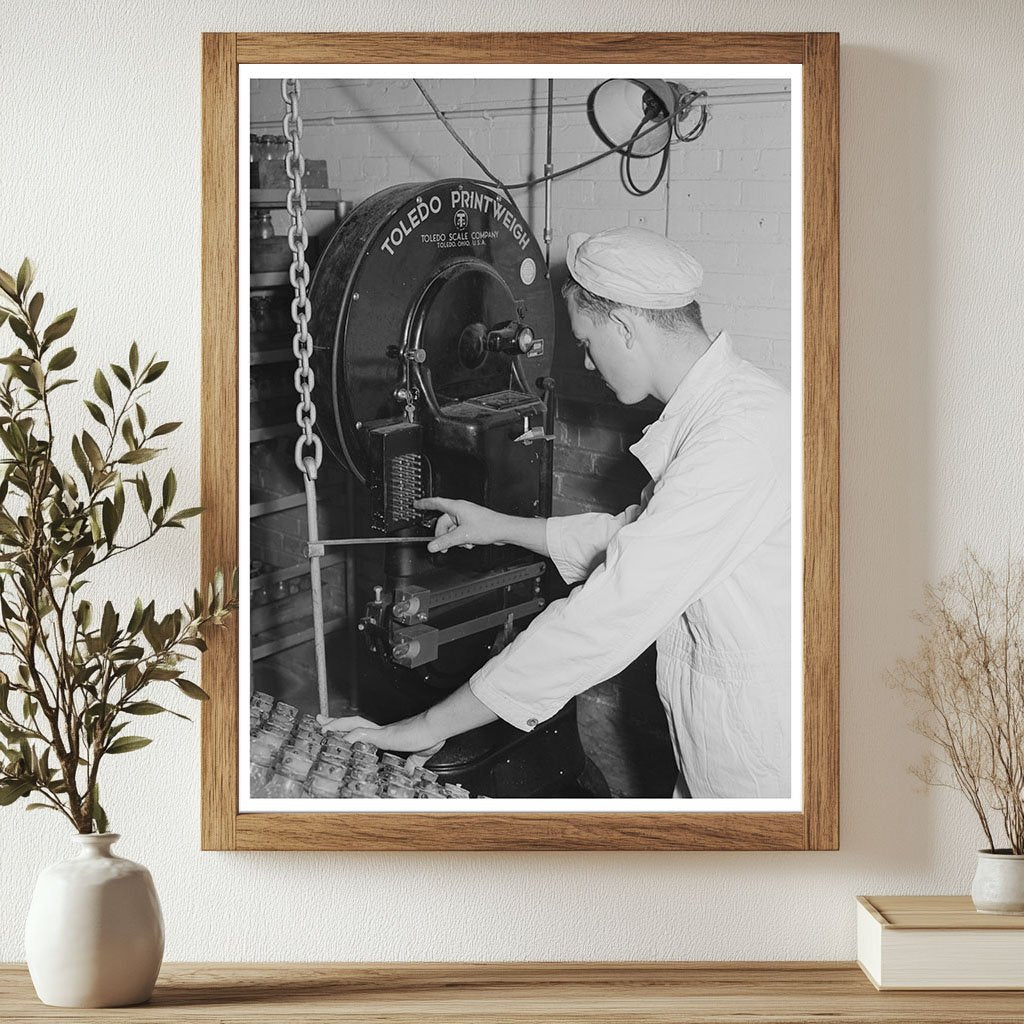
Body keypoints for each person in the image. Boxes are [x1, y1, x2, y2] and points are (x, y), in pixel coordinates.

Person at [320, 226, 792, 799]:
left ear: (624, 327)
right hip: (721, 745)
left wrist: (419, 727)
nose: (587, 364)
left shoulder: (737, 436)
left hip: (761, 761)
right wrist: (498, 526)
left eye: (587, 344)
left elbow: (608, 609)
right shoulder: (725, 412)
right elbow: (631, 536)